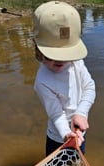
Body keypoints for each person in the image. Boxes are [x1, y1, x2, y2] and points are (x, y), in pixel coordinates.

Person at [33, 1, 95, 156]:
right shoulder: (42, 81)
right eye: (52, 55)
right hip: (58, 138)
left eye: (66, 55)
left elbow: (89, 87)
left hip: (80, 133)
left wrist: (81, 113)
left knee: (76, 165)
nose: (59, 61)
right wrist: (67, 134)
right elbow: (56, 113)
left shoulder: (77, 62)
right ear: (36, 47)